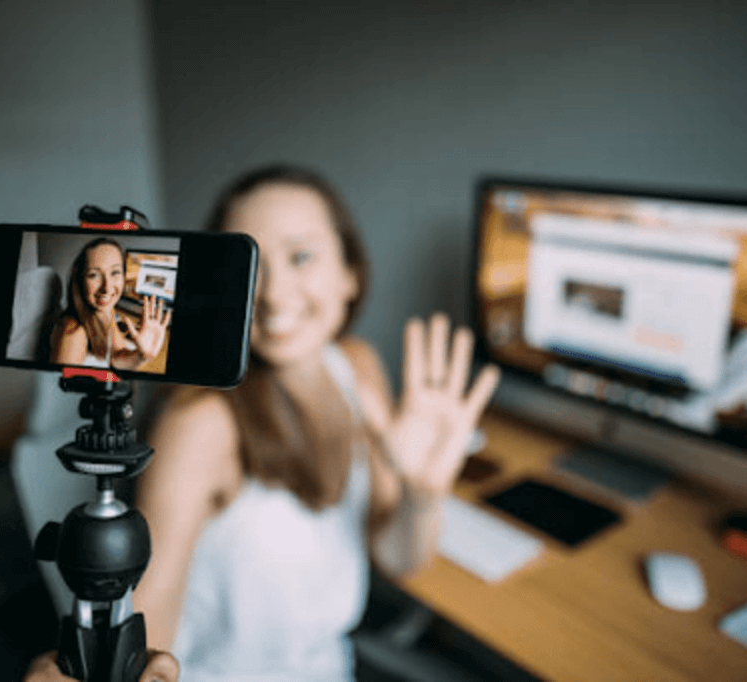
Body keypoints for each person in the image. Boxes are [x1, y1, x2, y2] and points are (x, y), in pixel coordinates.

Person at [25, 164, 499, 682]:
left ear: (350, 274)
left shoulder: (356, 366)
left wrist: (422, 497)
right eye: (249, 265)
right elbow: (147, 631)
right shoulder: (201, 422)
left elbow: (400, 559)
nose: (272, 295)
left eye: (301, 256)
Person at [50, 237, 172, 371]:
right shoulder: (73, 334)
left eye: (115, 272)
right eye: (93, 275)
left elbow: (117, 357)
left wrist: (141, 356)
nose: (107, 288)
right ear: (80, 281)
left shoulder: (106, 311)